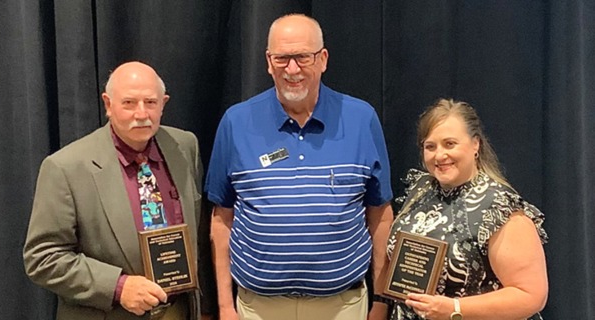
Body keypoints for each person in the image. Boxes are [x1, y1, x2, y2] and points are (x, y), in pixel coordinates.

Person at [206, 13, 394, 320]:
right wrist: (225, 307)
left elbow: (381, 217)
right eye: (282, 58)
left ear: (323, 59)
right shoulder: (236, 122)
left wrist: (381, 303)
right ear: (268, 61)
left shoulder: (362, 119)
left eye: (302, 58)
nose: (292, 69)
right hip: (258, 308)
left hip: (343, 307)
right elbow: (221, 220)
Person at [23, 61, 212, 320]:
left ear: (164, 104)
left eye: (151, 102)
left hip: (178, 310)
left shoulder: (184, 146)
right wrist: (117, 287)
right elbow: (43, 258)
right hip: (112, 313)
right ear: (108, 104)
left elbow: (198, 236)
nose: (141, 113)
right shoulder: (66, 167)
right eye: (129, 103)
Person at [381, 99, 548, 320]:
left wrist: (455, 309)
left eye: (450, 144)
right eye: (430, 146)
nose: (439, 155)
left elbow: (531, 295)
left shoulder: (499, 207)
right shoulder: (419, 190)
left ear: (475, 144)